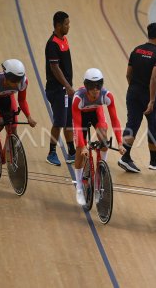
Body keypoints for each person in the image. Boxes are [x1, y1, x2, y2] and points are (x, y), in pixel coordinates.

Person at [118, 22, 156, 173]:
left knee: (132, 123)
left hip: (133, 91)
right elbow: (154, 78)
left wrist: (134, 88)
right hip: (149, 95)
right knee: (154, 125)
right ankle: (154, 160)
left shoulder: (136, 50)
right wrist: (152, 100)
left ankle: (125, 156)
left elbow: (128, 74)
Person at [72, 68, 125, 205]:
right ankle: (79, 187)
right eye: (91, 86)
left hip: (96, 113)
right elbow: (77, 125)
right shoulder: (78, 99)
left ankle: (100, 171)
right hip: (81, 118)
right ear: (86, 86)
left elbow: (114, 120)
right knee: (79, 150)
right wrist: (83, 146)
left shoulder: (107, 96)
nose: (95, 90)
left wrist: (120, 142)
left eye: (98, 86)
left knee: (104, 141)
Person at [0, 59, 37, 152]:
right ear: (6, 77)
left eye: (18, 80)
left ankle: (10, 152)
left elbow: (22, 100)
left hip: (7, 96)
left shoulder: (23, 82)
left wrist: (29, 117)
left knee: (13, 126)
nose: (16, 83)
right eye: (14, 81)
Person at [45, 11, 76, 166]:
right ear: (58, 25)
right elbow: (55, 68)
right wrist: (67, 86)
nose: (68, 26)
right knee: (59, 122)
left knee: (68, 121)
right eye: (66, 24)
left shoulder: (64, 40)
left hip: (65, 89)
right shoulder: (52, 44)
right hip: (57, 90)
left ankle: (71, 152)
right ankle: (51, 153)